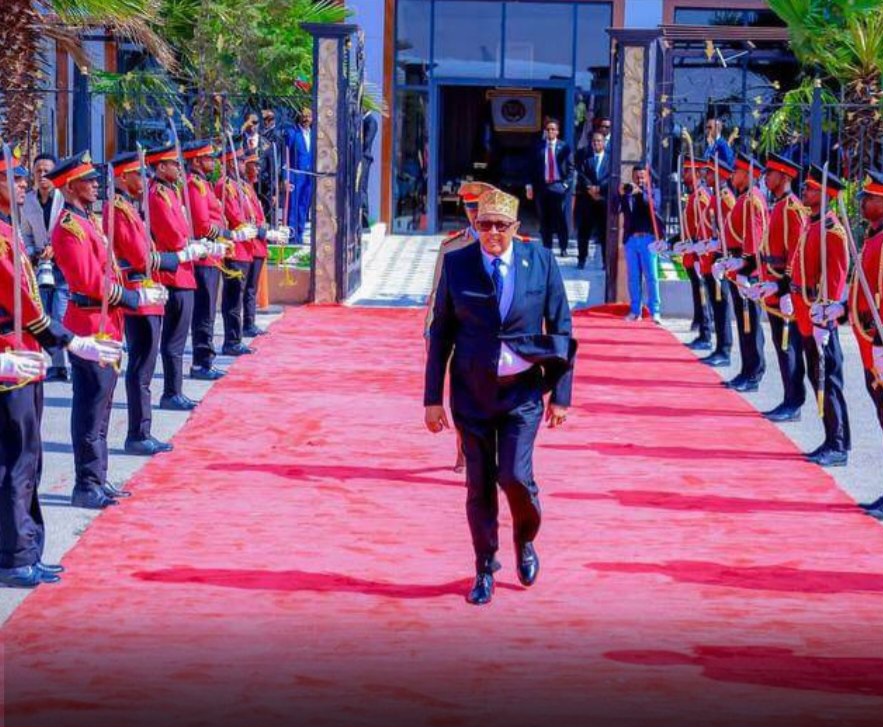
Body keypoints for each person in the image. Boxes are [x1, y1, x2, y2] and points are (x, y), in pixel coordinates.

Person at [424, 189, 576, 606]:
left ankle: (525, 539)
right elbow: (441, 333)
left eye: (501, 226)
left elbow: (562, 328)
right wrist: (432, 398)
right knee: (479, 486)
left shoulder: (540, 262)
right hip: (472, 394)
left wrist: (561, 396)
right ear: (475, 226)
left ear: (516, 228)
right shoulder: (458, 263)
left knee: (514, 477)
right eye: (485, 225)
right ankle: (484, 567)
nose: (492, 233)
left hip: (521, 394)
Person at [0, 147, 121, 586]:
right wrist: (69, 340)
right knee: (16, 461)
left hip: (26, 347)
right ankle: (15, 556)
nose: (23, 184)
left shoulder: (8, 228)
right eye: (13, 178)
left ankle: (27, 549)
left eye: (21, 177)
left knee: (29, 460)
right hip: (13, 349)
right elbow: (23, 300)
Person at [49, 151, 167, 509]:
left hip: (106, 321)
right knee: (90, 410)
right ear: (71, 187)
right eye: (88, 181)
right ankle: (85, 484)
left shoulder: (87, 220)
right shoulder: (69, 227)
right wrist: (132, 297)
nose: (96, 185)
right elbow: (88, 282)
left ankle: (97, 477)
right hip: (89, 323)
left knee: (102, 409)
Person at [107, 151, 209, 456]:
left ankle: (143, 430)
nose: (144, 178)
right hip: (137, 289)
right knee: (141, 367)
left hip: (148, 287)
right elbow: (140, 255)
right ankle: (138, 434)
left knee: (146, 365)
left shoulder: (131, 206)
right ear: (122, 177)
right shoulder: (119, 208)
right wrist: (178, 256)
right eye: (137, 174)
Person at [782, 164, 850, 467]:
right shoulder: (812, 224)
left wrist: (826, 318)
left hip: (820, 317)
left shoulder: (832, 231)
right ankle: (830, 438)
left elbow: (835, 278)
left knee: (829, 380)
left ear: (825, 194)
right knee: (817, 378)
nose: (805, 191)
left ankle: (838, 444)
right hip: (805, 312)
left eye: (811, 189)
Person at [425, 180, 495, 474]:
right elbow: (437, 293)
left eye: (478, 207)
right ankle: (463, 447)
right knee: (462, 393)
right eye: (469, 207)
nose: (473, 213)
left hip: (494, 333)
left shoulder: (506, 243)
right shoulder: (451, 246)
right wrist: (430, 328)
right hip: (459, 330)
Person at [747, 153, 808, 422]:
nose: (766, 177)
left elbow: (796, 252)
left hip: (785, 289)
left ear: (784, 176)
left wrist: (785, 289)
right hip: (772, 285)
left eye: (770, 173)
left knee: (789, 347)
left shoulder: (793, 209)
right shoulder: (778, 205)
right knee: (781, 347)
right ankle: (787, 398)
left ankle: (794, 403)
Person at [147, 143, 201, 410]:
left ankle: (175, 390)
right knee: (173, 340)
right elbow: (171, 234)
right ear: (160, 167)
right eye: (174, 164)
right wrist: (188, 247)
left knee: (177, 338)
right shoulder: (158, 195)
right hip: (173, 273)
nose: (179, 168)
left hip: (182, 271)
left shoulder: (171, 191)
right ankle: (171, 393)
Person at [183, 140, 237, 382]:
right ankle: (201, 362)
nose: (213, 162)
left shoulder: (203, 183)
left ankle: (206, 359)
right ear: (196, 161)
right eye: (208, 158)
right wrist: (227, 234)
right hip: (204, 257)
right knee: (204, 313)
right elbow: (203, 225)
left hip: (212, 255)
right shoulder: (194, 185)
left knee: (208, 312)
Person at [713, 153, 767, 392]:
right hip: (739, 265)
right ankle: (746, 370)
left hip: (748, 268)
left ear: (748, 174)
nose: (732, 174)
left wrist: (745, 268)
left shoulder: (752, 200)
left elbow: (754, 240)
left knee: (750, 323)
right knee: (744, 324)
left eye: (737, 171)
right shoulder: (744, 198)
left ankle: (754, 373)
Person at [21, 153, 68, 382]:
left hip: (64, 264)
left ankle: (71, 361)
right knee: (44, 314)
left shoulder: (64, 197)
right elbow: (25, 233)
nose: (42, 175)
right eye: (38, 171)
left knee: (60, 312)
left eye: (47, 171)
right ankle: (57, 366)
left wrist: (57, 249)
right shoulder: (28, 201)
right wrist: (33, 252)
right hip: (40, 265)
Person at [217, 144, 258, 356]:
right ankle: (231, 341)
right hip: (235, 247)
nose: (244, 165)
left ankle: (236, 337)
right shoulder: (225, 185)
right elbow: (234, 214)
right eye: (241, 161)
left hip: (246, 247)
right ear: (231, 164)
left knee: (239, 295)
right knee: (233, 298)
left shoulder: (239, 185)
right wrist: (247, 227)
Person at [242, 148, 288, 337]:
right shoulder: (242, 189)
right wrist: (267, 233)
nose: (258, 169)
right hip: (251, 245)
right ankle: (247, 324)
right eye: (254, 165)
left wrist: (271, 230)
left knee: (252, 288)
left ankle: (250, 322)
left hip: (258, 245)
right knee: (248, 289)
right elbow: (247, 220)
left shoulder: (250, 189)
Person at [699, 159, 736, 367]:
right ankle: (719, 347)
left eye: (710, 173)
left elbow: (731, 230)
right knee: (716, 305)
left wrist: (719, 247)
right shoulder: (716, 196)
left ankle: (725, 349)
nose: (706, 176)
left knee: (721, 306)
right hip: (711, 257)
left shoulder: (726, 198)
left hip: (720, 259)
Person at [677, 158, 714, 350]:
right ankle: (700, 324)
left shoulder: (701, 197)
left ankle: (706, 330)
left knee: (702, 293)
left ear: (697, 173)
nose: (684, 175)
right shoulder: (693, 196)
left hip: (699, 254)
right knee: (697, 292)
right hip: (691, 253)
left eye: (687, 171)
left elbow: (705, 228)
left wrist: (699, 253)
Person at [618, 165, 662, 323]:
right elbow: (616, 209)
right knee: (633, 277)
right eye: (637, 177)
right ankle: (635, 310)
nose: (639, 180)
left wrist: (641, 193)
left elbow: (654, 206)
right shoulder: (629, 192)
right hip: (631, 240)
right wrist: (621, 195)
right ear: (632, 177)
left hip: (648, 239)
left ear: (647, 177)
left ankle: (655, 311)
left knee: (652, 277)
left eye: (642, 177)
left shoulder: (654, 191)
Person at [526, 118, 572, 256]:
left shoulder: (564, 147)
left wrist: (565, 184)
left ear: (557, 132)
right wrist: (529, 186)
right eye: (548, 129)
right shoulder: (538, 147)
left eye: (553, 129)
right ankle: (547, 248)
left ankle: (563, 247)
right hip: (542, 187)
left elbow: (571, 168)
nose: (550, 131)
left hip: (558, 186)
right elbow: (530, 167)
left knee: (560, 219)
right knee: (544, 219)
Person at [574, 131, 609, 270]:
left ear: (604, 142)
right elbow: (581, 174)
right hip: (587, 201)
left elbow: (610, 177)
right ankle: (581, 259)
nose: (596, 143)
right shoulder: (585, 158)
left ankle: (606, 262)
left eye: (599, 141)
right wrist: (590, 188)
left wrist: (599, 188)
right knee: (584, 232)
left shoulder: (609, 159)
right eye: (594, 141)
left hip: (603, 200)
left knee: (604, 233)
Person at [287, 107, 314, 244]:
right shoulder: (293, 133)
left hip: (309, 176)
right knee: (293, 206)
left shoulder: (314, 134)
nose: (306, 119)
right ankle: (292, 237)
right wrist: (285, 177)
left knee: (304, 206)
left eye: (308, 116)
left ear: (312, 118)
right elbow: (285, 155)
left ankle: (300, 234)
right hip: (296, 175)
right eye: (303, 116)